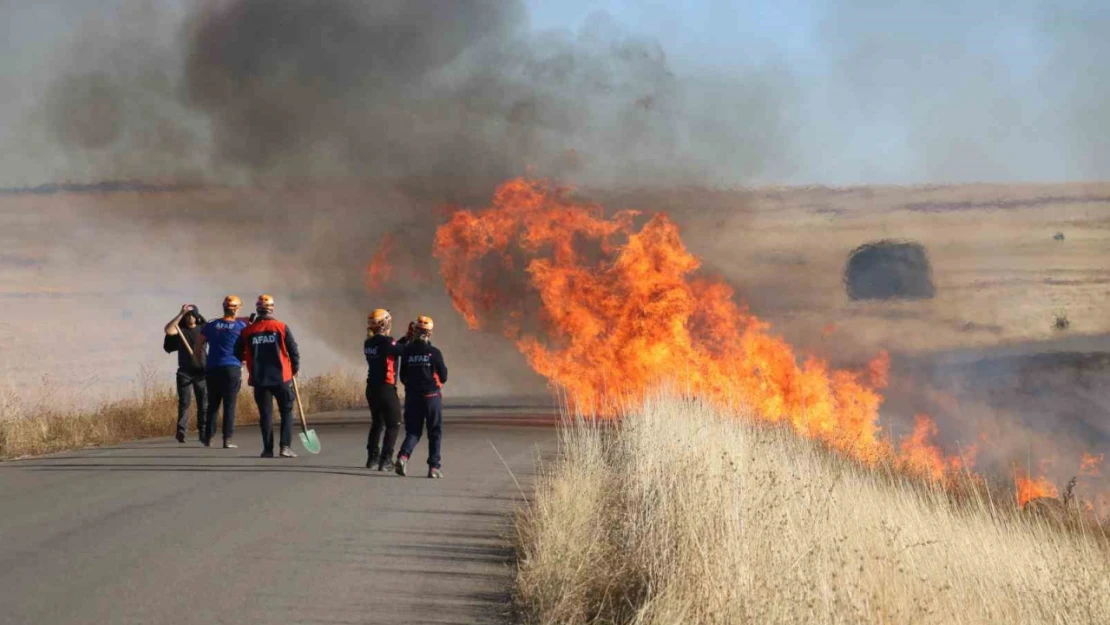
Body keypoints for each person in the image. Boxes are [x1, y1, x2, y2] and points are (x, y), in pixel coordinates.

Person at [235, 294, 301, 458]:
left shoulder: (247, 331)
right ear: (272, 309)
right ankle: (285, 447)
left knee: (266, 415)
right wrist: (295, 370)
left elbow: (237, 352)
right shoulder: (281, 327)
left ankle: (267, 449)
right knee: (286, 412)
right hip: (282, 378)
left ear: (257, 309)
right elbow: (294, 352)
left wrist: (248, 358)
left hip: (259, 379)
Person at [395, 315, 448, 478]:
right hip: (432, 397)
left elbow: (402, 376)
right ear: (430, 333)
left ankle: (403, 456)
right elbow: (444, 376)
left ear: (415, 331)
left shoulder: (406, 352)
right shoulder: (434, 352)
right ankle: (433, 468)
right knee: (434, 432)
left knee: (413, 431)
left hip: (413, 397)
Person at [193, 295, 248, 448]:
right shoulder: (241, 327)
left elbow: (198, 347)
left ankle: (209, 438)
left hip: (212, 368)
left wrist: (201, 363)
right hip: (232, 368)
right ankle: (227, 439)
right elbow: (247, 347)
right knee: (229, 405)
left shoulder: (211, 325)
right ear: (236, 309)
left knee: (213, 404)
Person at [363, 309, 403, 471]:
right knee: (394, 423)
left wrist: (406, 338)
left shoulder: (369, 342)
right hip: (385, 388)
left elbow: (395, 346)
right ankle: (386, 460)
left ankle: (372, 458)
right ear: (383, 324)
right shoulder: (387, 343)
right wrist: (414, 339)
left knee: (377, 423)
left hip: (371, 388)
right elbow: (402, 350)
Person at [163, 304, 208, 443]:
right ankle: (181, 431)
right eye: (188, 316)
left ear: (196, 316)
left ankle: (203, 431)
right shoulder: (179, 330)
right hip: (184, 372)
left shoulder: (203, 330)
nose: (190, 318)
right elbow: (168, 330)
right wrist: (181, 313)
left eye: (192, 315)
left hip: (201, 371)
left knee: (203, 403)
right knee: (184, 403)